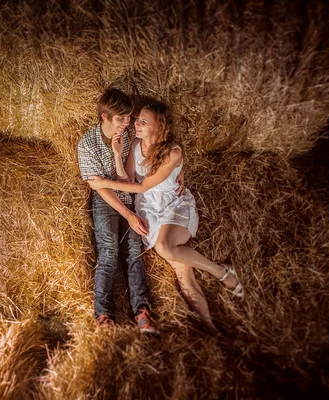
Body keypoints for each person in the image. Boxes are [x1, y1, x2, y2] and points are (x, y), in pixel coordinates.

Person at [88, 100, 244, 335]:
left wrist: (102, 183)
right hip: (149, 210)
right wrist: (118, 156)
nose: (135, 125)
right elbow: (129, 182)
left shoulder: (173, 152)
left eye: (142, 121)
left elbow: (143, 186)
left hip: (174, 206)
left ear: (158, 127)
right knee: (183, 273)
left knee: (164, 247)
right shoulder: (135, 146)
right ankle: (212, 330)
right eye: (136, 120)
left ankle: (222, 272)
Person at [78, 88, 182, 335]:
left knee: (134, 251)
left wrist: (181, 172)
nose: (128, 122)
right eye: (121, 118)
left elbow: (159, 154)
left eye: (130, 117)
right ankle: (103, 314)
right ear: (104, 117)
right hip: (107, 200)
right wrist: (128, 214)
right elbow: (100, 189)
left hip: (132, 196)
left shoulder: (130, 139)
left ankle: (143, 312)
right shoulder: (86, 145)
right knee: (109, 251)